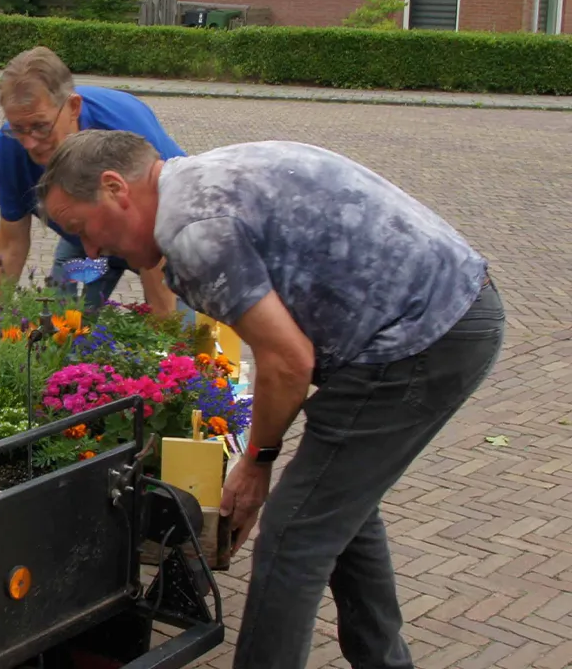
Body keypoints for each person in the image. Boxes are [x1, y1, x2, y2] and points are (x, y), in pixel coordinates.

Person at [33, 130, 505, 669]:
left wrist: (256, 463)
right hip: (445, 313)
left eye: (80, 228)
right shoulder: (199, 179)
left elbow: (287, 361)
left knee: (290, 537)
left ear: (116, 188)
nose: (91, 251)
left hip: (425, 336)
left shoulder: (191, 230)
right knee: (335, 506)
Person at [0, 46, 188, 314]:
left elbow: (157, 241)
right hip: (86, 233)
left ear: (73, 107)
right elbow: (10, 244)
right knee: (55, 330)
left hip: (164, 235)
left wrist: (167, 343)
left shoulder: (122, 132)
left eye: (41, 127)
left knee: (183, 332)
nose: (30, 143)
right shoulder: (9, 148)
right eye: (18, 129)